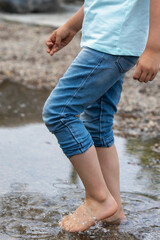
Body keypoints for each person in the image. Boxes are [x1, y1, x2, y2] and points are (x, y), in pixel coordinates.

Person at [42, 0, 160, 233]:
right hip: (109, 40)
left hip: (112, 43)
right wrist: (73, 26)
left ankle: (98, 198)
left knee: (58, 112)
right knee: (97, 123)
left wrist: (154, 48)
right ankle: (114, 211)